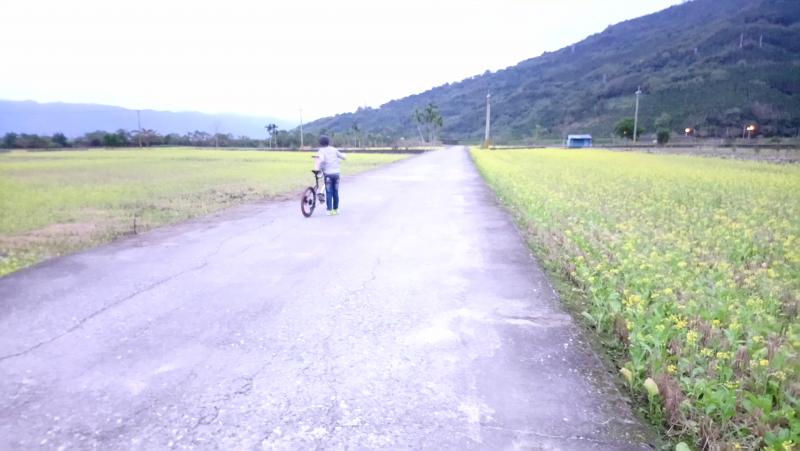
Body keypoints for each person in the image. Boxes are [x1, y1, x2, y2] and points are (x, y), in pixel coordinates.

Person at [316, 136, 346, 216]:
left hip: (328, 175)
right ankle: (336, 209)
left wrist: (318, 168)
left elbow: (321, 160)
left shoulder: (321, 150)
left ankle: (329, 210)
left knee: (329, 192)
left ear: (320, 143)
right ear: (328, 142)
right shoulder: (334, 149)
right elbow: (343, 157)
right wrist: (343, 156)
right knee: (335, 192)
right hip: (336, 174)